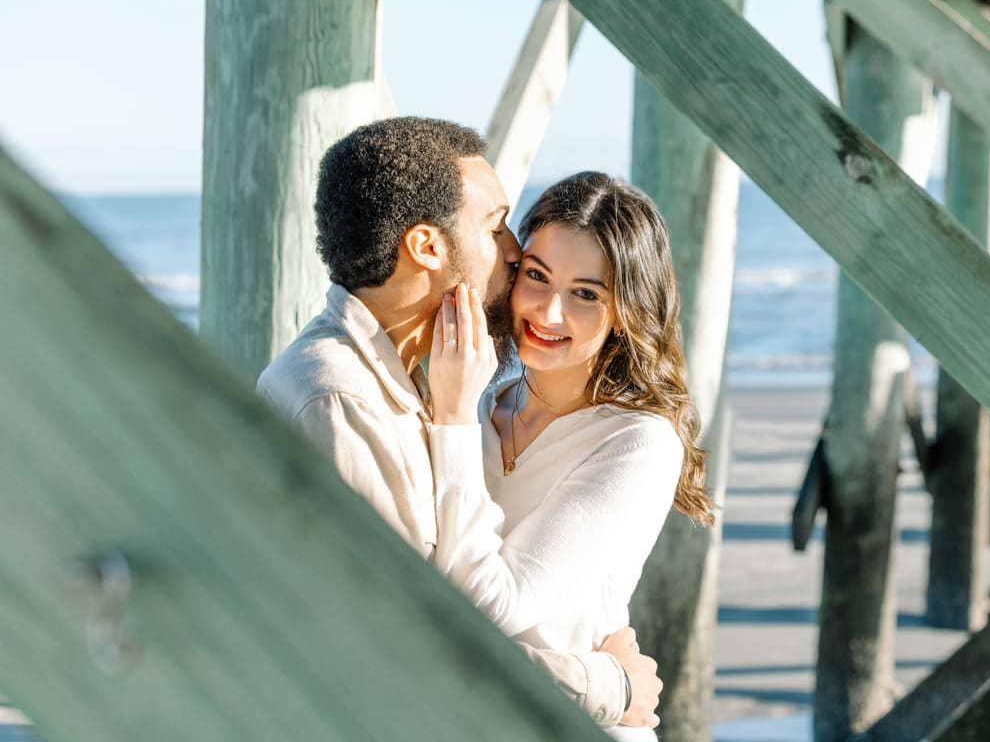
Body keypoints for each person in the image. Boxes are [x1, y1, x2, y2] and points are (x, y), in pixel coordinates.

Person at [257, 117, 659, 729]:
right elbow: (415, 649)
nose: (513, 252)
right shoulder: (346, 404)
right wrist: (608, 683)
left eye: (585, 293)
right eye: (496, 227)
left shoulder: (426, 383)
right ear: (427, 247)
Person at [425, 171, 716, 742]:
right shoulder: (479, 406)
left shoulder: (638, 443)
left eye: (586, 293)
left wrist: (452, 416)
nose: (547, 313)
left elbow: (491, 607)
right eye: (536, 276)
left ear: (626, 310)